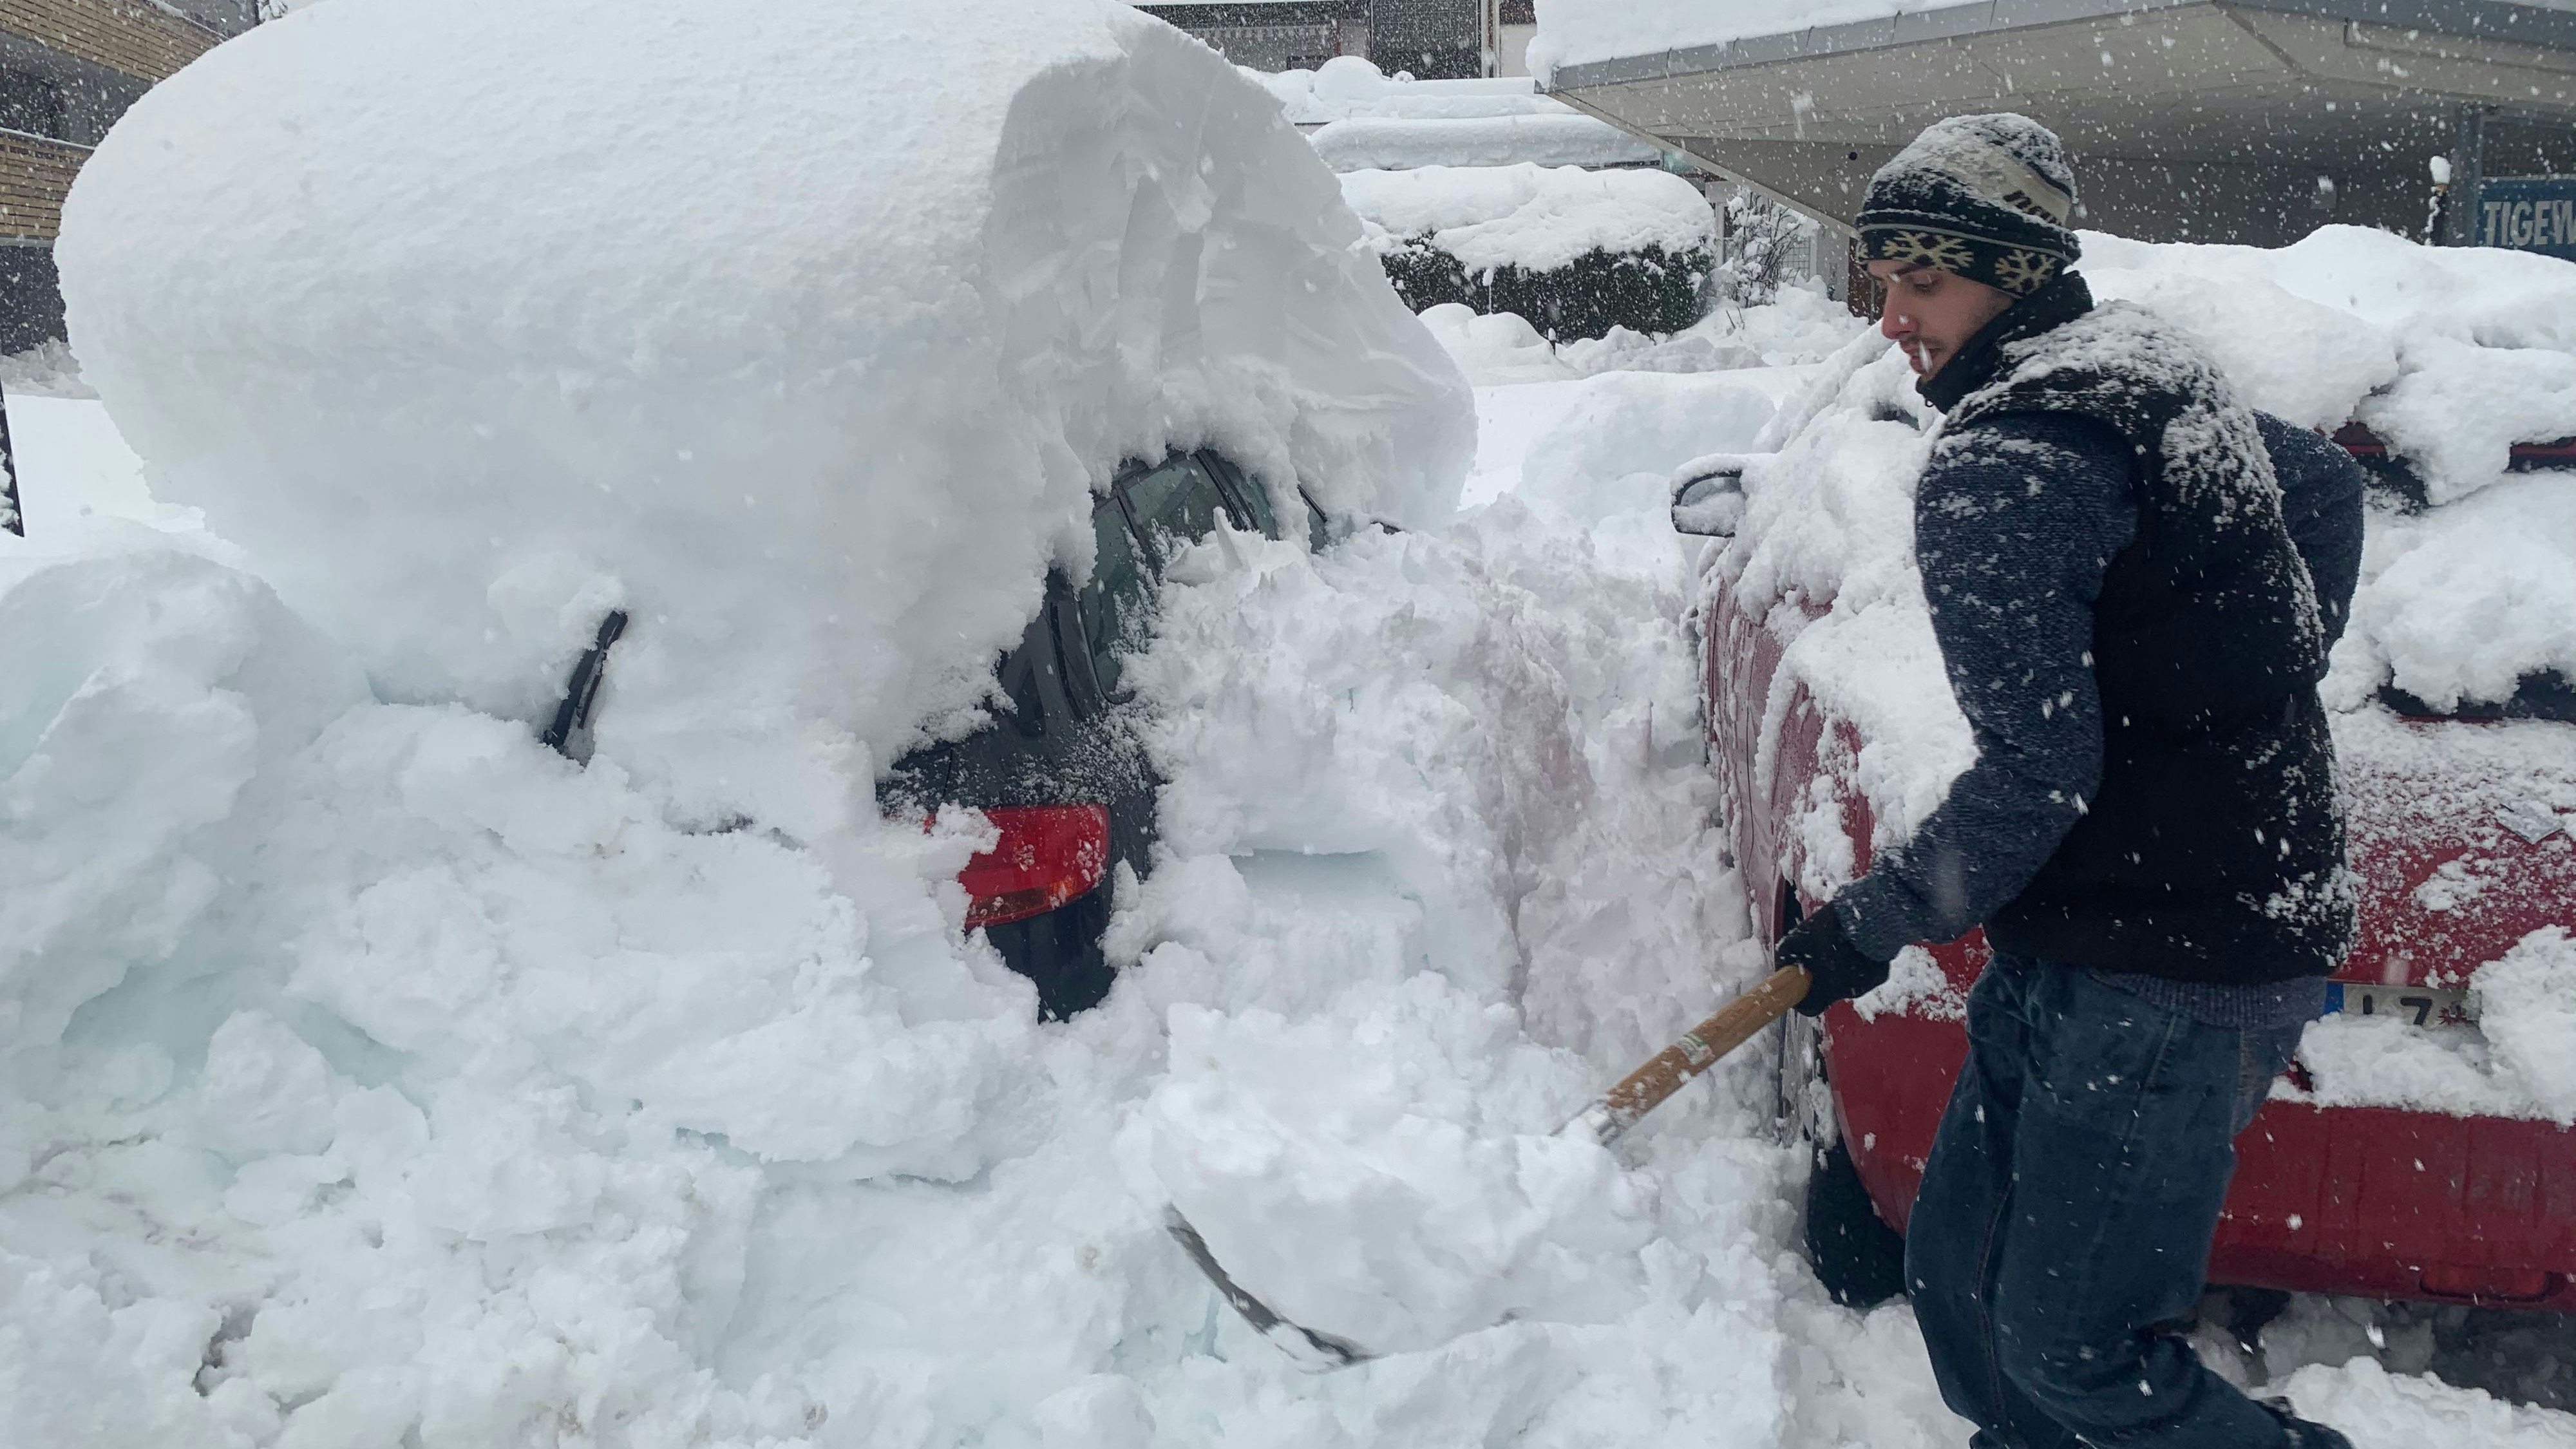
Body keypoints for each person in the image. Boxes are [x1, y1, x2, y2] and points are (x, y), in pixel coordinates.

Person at [1768, 114, 2366, 1449]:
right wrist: (2243, 673)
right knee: (1962, 1284)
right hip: (2111, 925)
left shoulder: (2007, 464)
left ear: (2014, 274)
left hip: (2175, 959)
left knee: (2076, 1352)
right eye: (1879, 281)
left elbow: (2038, 773)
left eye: (1921, 282)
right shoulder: (2139, 367)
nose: (1892, 319)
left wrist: (1866, 925)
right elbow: (2318, 483)